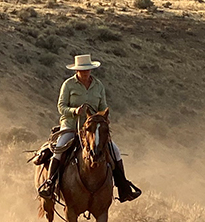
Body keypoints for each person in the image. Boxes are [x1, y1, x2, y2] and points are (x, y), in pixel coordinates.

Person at [38, 54, 141, 203]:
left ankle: (123, 188)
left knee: (115, 151)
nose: (86, 72)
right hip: (71, 126)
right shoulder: (68, 85)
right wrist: (74, 111)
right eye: (82, 70)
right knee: (59, 148)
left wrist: (104, 117)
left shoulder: (98, 86)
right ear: (77, 71)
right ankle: (50, 184)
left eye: (88, 70)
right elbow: (61, 107)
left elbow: (103, 106)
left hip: (93, 129)